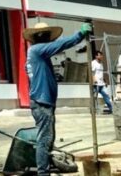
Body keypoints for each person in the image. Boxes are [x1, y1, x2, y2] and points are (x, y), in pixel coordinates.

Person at [24, 21, 92, 176]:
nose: (50, 39)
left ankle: (46, 166)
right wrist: (79, 34)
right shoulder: (37, 50)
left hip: (42, 100)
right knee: (45, 139)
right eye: (47, 36)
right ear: (42, 37)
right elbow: (61, 44)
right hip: (42, 102)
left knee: (48, 137)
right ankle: (43, 173)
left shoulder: (35, 54)